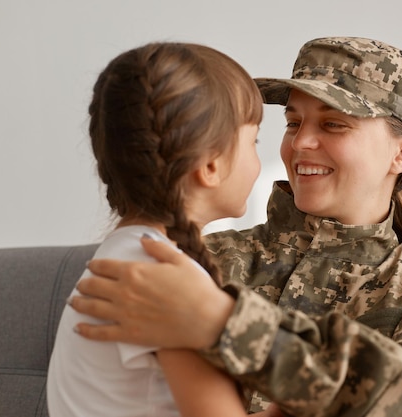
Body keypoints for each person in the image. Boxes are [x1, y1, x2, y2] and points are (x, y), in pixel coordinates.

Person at [68, 37, 402, 416]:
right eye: (293, 122)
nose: (300, 142)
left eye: (333, 123)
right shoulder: (198, 258)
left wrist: (229, 326)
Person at [47, 41, 283, 417]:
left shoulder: (130, 254)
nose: (260, 157)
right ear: (210, 166)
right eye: (253, 141)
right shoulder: (162, 283)